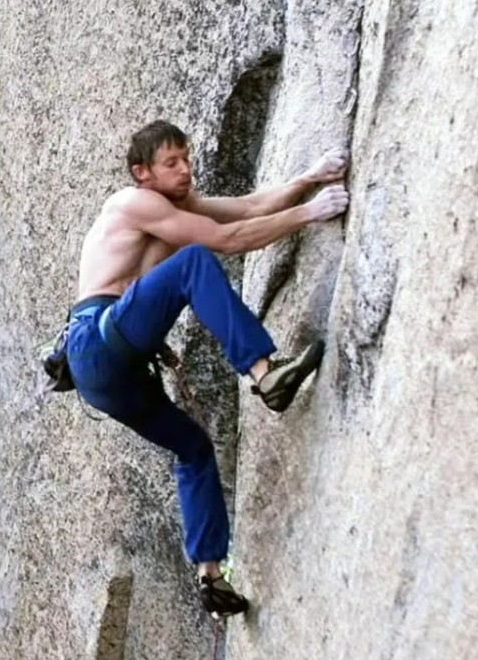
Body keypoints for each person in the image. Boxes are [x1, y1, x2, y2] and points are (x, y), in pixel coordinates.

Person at [66, 120, 349, 614]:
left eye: (187, 159)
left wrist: (309, 178)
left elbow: (250, 208)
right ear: (142, 173)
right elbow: (229, 239)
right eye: (171, 163)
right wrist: (310, 213)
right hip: (98, 339)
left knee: (193, 448)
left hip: (104, 375)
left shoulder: (176, 206)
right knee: (194, 261)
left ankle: (211, 575)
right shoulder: (133, 203)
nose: (185, 170)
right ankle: (263, 372)